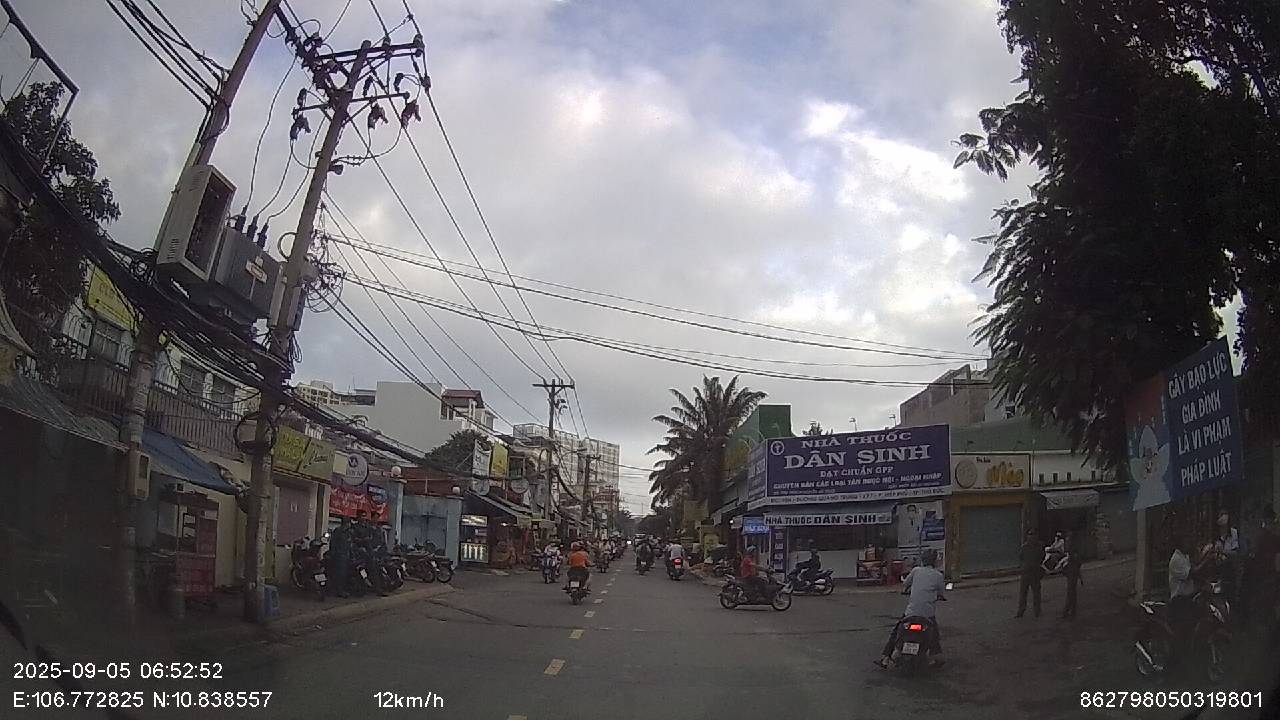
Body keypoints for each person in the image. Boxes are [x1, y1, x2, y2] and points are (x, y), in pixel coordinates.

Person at [877, 548, 946, 669]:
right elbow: (941, 592)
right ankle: (935, 657)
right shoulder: (938, 575)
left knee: (896, 632)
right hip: (927, 614)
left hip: (911, 613)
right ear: (934, 561)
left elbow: (905, 584)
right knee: (934, 634)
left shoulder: (916, 571)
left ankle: (885, 658)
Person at [354, 511, 388, 596]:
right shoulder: (355, 527)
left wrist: (374, 549)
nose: (363, 518)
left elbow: (372, 540)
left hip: (369, 552)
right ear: (358, 517)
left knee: (375, 569)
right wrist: (362, 543)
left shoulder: (368, 528)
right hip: (358, 552)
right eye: (362, 516)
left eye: (364, 516)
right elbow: (354, 540)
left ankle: (378, 589)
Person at [1015, 528, 1042, 618]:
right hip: (1025, 573)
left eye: (1033, 534)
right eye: (1030, 534)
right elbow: (1021, 557)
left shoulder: (1038, 547)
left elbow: (1041, 557)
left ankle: (1037, 611)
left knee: (1036, 593)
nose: (1031, 537)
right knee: (1023, 593)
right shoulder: (1024, 547)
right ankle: (1021, 611)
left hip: (1035, 573)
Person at [329, 516, 354, 597]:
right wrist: (334, 553)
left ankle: (342, 589)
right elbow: (333, 543)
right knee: (340, 574)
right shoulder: (338, 531)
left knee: (345, 574)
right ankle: (339, 590)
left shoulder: (349, 533)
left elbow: (350, 544)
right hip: (339, 556)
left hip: (346, 555)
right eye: (349, 523)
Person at [1060, 533, 1083, 619]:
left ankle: (1068, 611)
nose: (1067, 542)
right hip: (1071, 571)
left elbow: (1078, 562)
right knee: (1072, 592)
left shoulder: (1074, 552)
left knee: (1071, 591)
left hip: (1073, 571)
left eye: (1068, 540)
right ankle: (1071, 610)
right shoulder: (1070, 552)